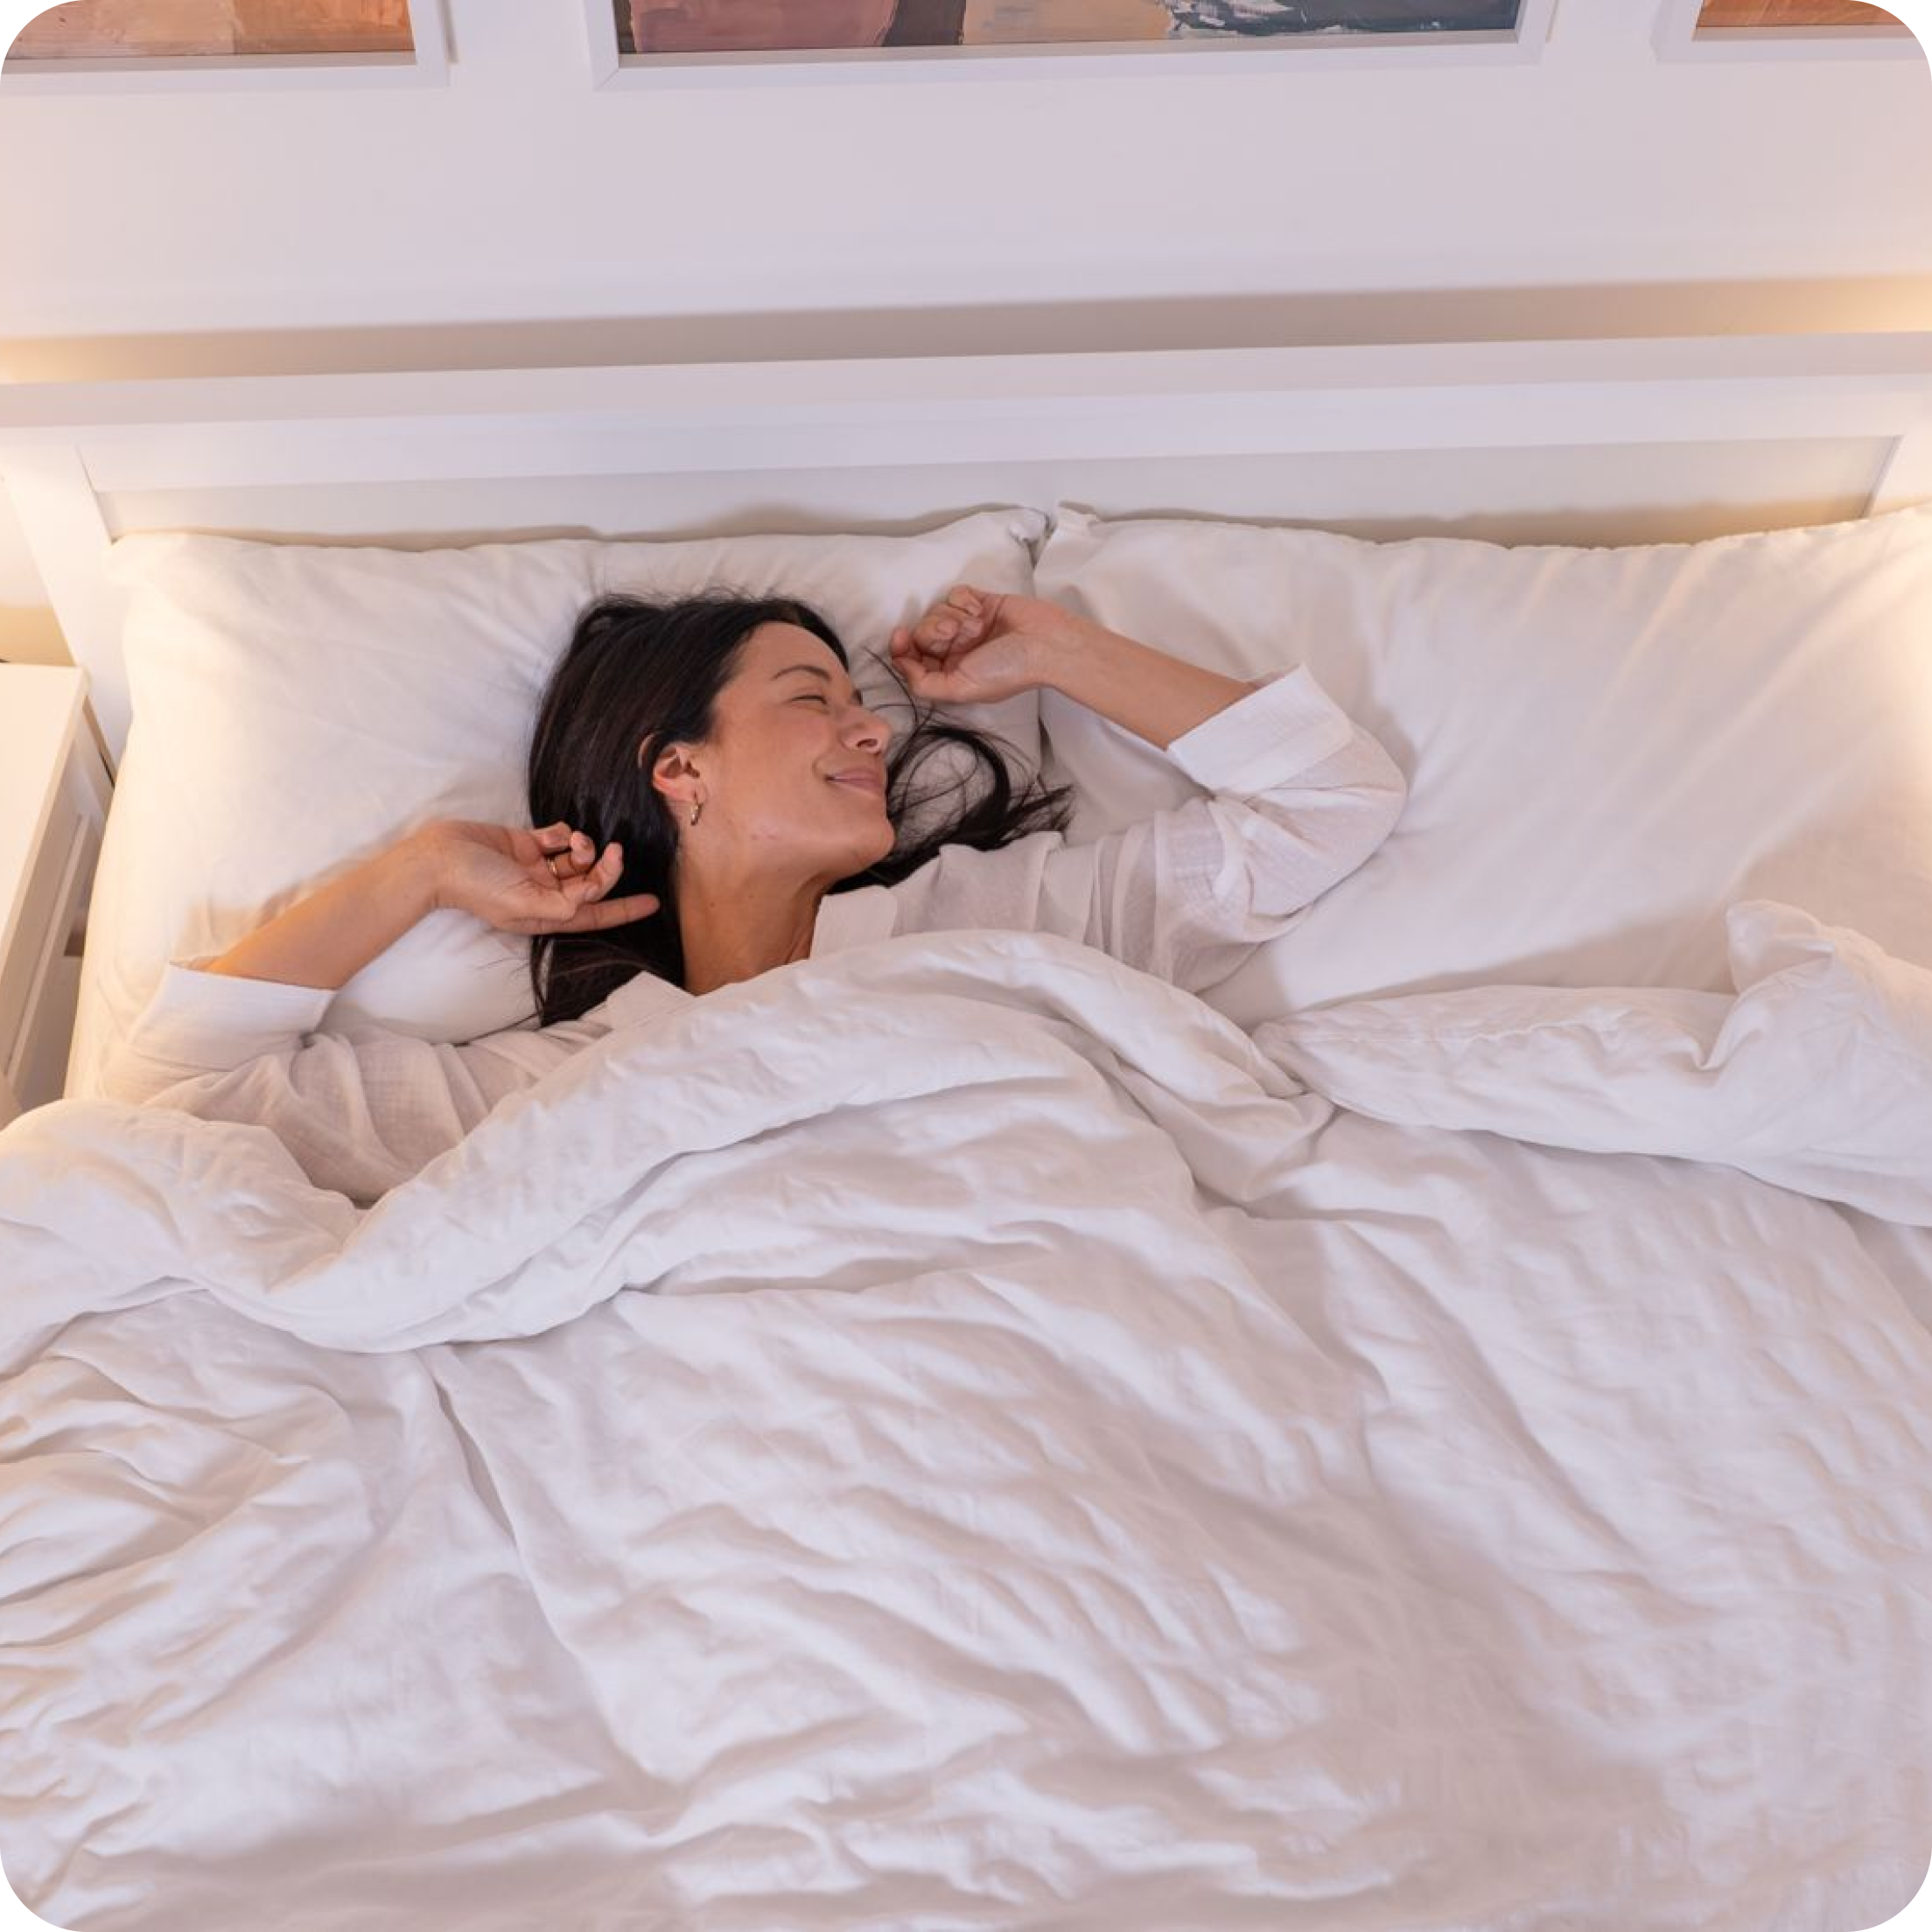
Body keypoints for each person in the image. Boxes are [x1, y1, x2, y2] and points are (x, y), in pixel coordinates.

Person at [99, 583, 1409, 1205]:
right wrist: (413, 873)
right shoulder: (568, 1082)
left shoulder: (1001, 930)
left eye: (862, 706)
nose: (871, 733)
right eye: (812, 703)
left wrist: (1067, 650)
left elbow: (1330, 806)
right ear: (682, 772)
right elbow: (176, 1103)